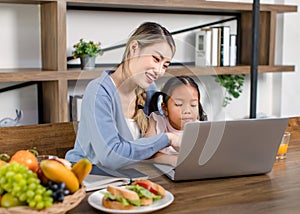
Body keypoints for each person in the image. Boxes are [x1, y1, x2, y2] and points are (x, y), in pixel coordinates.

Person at [65, 22, 179, 170]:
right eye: (156, 59)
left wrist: (170, 158)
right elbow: (112, 157)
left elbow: (149, 145)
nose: (159, 71)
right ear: (134, 48)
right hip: (90, 179)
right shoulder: (99, 92)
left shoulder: (149, 89)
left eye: (165, 65)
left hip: (130, 176)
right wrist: (168, 139)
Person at [145, 76, 207, 156]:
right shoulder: (157, 122)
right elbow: (146, 150)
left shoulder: (202, 129)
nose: (187, 111)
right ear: (165, 108)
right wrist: (174, 160)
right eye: (179, 104)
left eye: (193, 105)